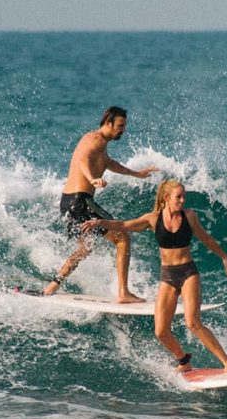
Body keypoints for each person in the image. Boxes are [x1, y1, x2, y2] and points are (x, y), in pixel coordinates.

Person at [81, 179, 227, 373]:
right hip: (168, 277)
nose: (182, 200)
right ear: (167, 198)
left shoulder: (190, 216)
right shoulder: (153, 219)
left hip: (188, 273)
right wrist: (100, 222)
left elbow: (205, 238)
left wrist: (224, 257)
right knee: (161, 331)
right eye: (178, 197)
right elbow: (124, 224)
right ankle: (183, 360)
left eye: (184, 196)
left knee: (192, 322)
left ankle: (226, 361)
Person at [43, 106, 157, 302]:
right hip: (80, 201)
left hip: (68, 202)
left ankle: (52, 286)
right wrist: (93, 179)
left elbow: (108, 163)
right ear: (108, 123)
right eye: (120, 126)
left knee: (85, 248)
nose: (123, 130)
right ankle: (123, 293)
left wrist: (136, 174)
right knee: (122, 237)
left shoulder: (100, 144)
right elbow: (82, 159)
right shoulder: (95, 140)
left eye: (124, 126)